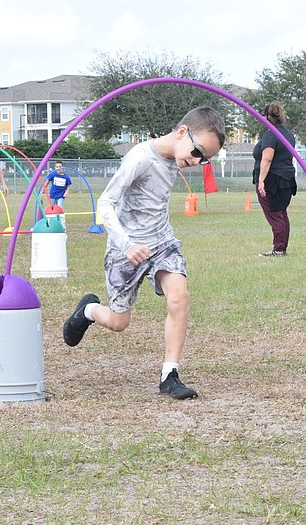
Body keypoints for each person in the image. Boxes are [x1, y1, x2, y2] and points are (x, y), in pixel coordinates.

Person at [63, 107, 226, 400]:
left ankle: (169, 376)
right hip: (126, 249)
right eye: (198, 151)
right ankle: (87, 311)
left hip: (162, 242)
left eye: (206, 159)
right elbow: (105, 204)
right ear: (181, 132)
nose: (198, 161)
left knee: (179, 296)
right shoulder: (139, 158)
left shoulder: (178, 156)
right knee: (118, 322)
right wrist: (127, 245)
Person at [253, 101, 297, 257]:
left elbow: (267, 159)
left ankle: (279, 249)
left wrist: (261, 181)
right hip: (287, 179)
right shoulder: (288, 134)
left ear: (266, 117)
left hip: (273, 181)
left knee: (275, 214)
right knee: (281, 214)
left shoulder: (271, 134)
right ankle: (281, 247)